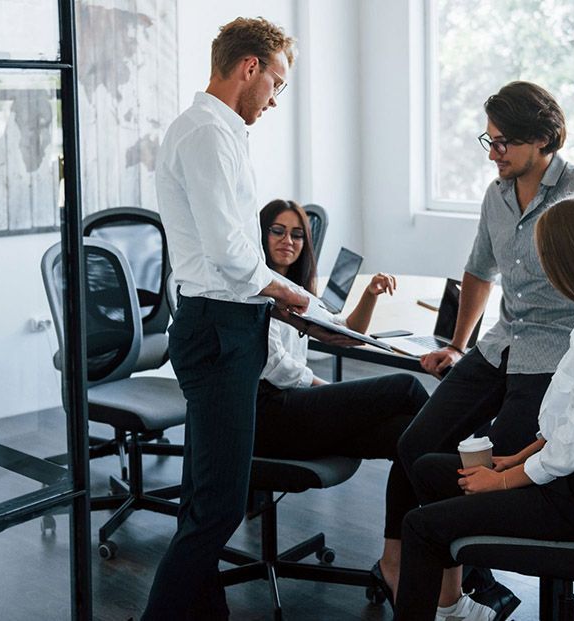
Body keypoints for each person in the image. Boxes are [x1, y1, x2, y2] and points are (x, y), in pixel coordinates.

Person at [397, 81, 574, 615]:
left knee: (498, 465)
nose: (494, 154)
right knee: (418, 446)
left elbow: (568, 442)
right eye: (487, 141)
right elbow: (478, 271)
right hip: (501, 342)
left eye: (504, 142)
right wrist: (458, 346)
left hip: (558, 356)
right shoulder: (496, 194)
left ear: (542, 139)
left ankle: (469, 557)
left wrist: (509, 470)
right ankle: (465, 581)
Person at [142, 18, 310, 621]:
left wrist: (280, 294)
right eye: (276, 82)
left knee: (202, 501)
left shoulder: (222, 131)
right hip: (218, 328)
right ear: (249, 67)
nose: (274, 98)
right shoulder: (207, 134)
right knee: (218, 509)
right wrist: (292, 293)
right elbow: (229, 250)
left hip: (225, 323)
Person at [254, 199, 430, 611]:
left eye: (297, 234)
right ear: (260, 234)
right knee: (405, 387)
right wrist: (327, 392)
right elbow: (276, 369)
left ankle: (393, 561)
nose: (288, 241)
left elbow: (344, 332)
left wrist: (368, 295)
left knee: (409, 436)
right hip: (269, 417)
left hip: (295, 409)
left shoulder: (296, 291)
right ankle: (467, 481)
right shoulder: (255, 286)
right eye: (278, 231)